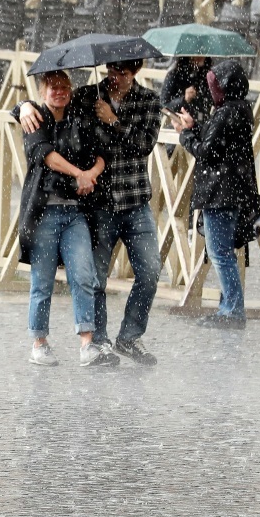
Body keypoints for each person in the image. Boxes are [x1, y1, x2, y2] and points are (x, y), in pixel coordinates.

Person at [17, 60, 163, 365]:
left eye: (122, 73)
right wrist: (22, 106)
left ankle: (130, 336)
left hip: (135, 199)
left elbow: (145, 144)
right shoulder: (87, 96)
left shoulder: (148, 100)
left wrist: (114, 121)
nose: (115, 77)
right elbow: (51, 103)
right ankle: (97, 342)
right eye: (111, 70)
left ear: (134, 72)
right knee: (91, 277)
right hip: (99, 203)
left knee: (150, 270)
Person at [16, 71, 117, 366]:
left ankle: (87, 343)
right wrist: (78, 174)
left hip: (75, 211)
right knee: (42, 281)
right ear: (42, 90)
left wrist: (92, 174)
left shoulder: (80, 117)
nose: (59, 92)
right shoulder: (34, 117)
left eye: (64, 87)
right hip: (44, 210)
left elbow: (101, 152)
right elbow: (44, 154)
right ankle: (39, 341)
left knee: (83, 274)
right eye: (52, 87)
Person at [173, 60, 260, 330]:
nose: (212, 91)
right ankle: (230, 307)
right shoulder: (239, 110)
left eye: (214, 86)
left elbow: (206, 152)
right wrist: (195, 128)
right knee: (224, 252)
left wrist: (185, 134)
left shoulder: (225, 112)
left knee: (220, 252)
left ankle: (232, 310)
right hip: (232, 191)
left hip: (219, 193)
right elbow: (217, 142)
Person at [161, 56, 214, 125]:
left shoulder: (208, 75)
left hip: (202, 124)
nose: (201, 56)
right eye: (196, 54)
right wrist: (184, 99)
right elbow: (163, 105)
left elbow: (212, 102)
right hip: (179, 124)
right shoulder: (175, 74)